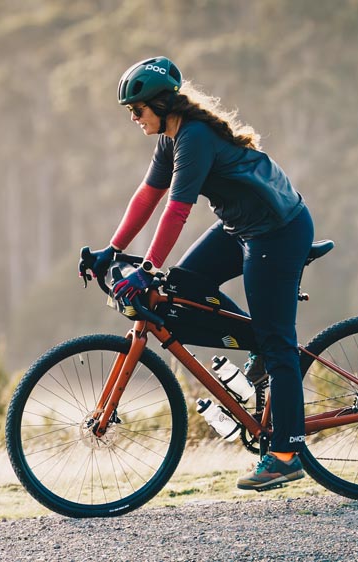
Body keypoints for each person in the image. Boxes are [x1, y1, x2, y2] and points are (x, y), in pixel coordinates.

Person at [88, 56, 315, 491]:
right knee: (182, 288)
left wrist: (147, 267)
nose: (134, 118)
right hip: (239, 227)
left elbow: (176, 210)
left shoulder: (195, 137)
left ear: (160, 104)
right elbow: (147, 197)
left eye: (137, 110)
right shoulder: (171, 139)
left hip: (277, 233)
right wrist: (112, 251)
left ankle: (286, 454)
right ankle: (259, 348)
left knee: (278, 342)